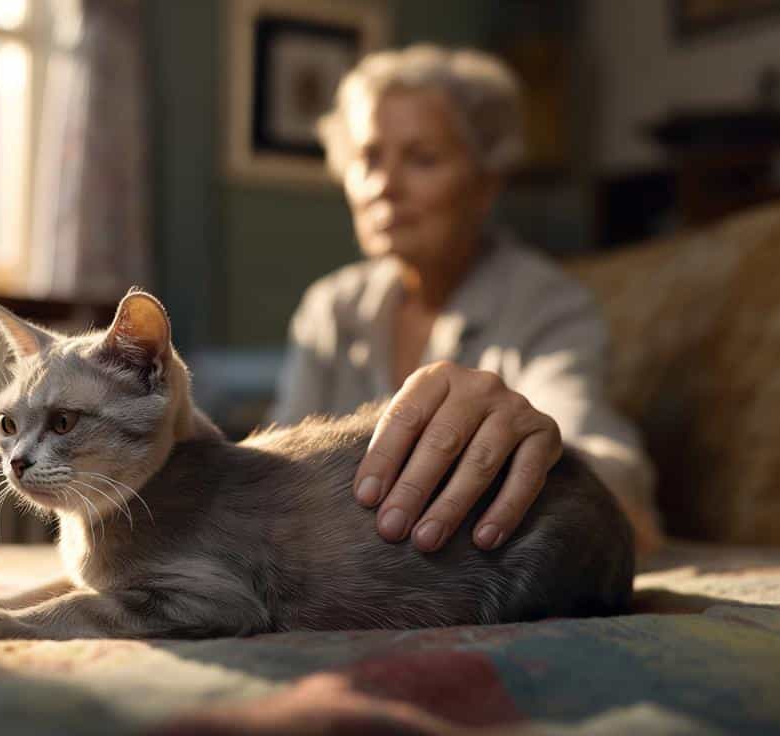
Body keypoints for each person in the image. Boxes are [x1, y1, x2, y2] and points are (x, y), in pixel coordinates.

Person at [269, 45, 662, 555]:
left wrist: (541, 455)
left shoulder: (547, 303)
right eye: (367, 157)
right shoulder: (331, 307)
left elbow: (615, 486)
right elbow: (279, 474)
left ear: (486, 185)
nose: (383, 185)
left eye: (422, 159)